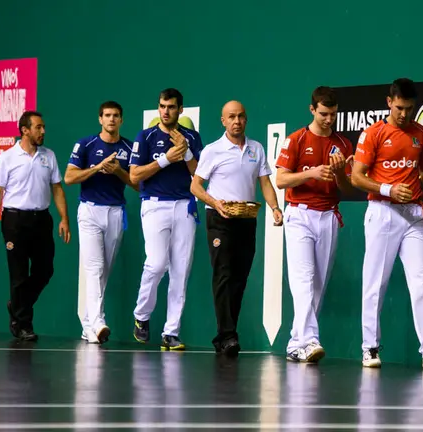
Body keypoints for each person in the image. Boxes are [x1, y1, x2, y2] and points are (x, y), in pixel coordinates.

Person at [351, 78, 423, 369]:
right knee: (375, 283)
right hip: (382, 212)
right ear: (389, 102)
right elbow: (356, 177)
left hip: (414, 214)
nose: (405, 114)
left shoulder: (421, 133)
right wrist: (388, 189)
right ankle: (370, 348)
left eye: (410, 109)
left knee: (422, 282)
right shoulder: (373, 133)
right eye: (400, 108)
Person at [190, 100, 283, 357]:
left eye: (241, 116)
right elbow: (196, 187)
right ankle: (229, 334)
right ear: (223, 120)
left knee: (240, 279)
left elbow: (264, 183)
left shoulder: (256, 149)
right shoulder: (212, 150)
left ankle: (224, 336)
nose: (237, 121)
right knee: (223, 274)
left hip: (246, 219)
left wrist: (274, 207)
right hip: (219, 220)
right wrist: (214, 202)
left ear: (246, 119)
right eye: (231, 117)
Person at [274, 86, 355, 363]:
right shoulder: (296, 139)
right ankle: (309, 340)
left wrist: (338, 172)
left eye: (333, 114)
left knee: (318, 283)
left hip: (329, 215)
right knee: (303, 280)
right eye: (323, 114)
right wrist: (311, 172)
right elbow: (281, 180)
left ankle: (296, 344)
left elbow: (346, 186)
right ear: (312, 109)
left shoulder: (343, 145)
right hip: (299, 215)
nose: (329, 119)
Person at [0, 110, 71, 342]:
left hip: (42, 220)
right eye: (38, 127)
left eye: (43, 127)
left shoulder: (48, 156)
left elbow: (58, 189)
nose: (43, 131)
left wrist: (64, 219)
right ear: (25, 130)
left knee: (45, 271)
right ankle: (23, 325)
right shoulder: (7, 158)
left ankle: (17, 305)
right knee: (19, 275)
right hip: (15, 221)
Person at [129, 88, 203, 351]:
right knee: (157, 263)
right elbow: (135, 175)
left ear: (180, 109)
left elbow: (199, 174)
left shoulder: (192, 137)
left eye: (171, 107)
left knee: (181, 270)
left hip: (185, 204)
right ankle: (142, 315)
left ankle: (171, 332)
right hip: (154, 205)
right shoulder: (146, 136)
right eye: (162, 106)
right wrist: (165, 160)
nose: (166, 111)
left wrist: (185, 154)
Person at [64, 101, 138, 344]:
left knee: (104, 271)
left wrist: (117, 170)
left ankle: (88, 325)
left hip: (116, 212)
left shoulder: (128, 147)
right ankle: (98, 322)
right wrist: (97, 168)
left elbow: (138, 184)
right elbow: (69, 177)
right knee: (94, 268)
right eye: (107, 115)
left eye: (116, 115)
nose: (112, 120)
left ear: (122, 119)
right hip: (89, 211)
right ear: (100, 119)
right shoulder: (86, 144)